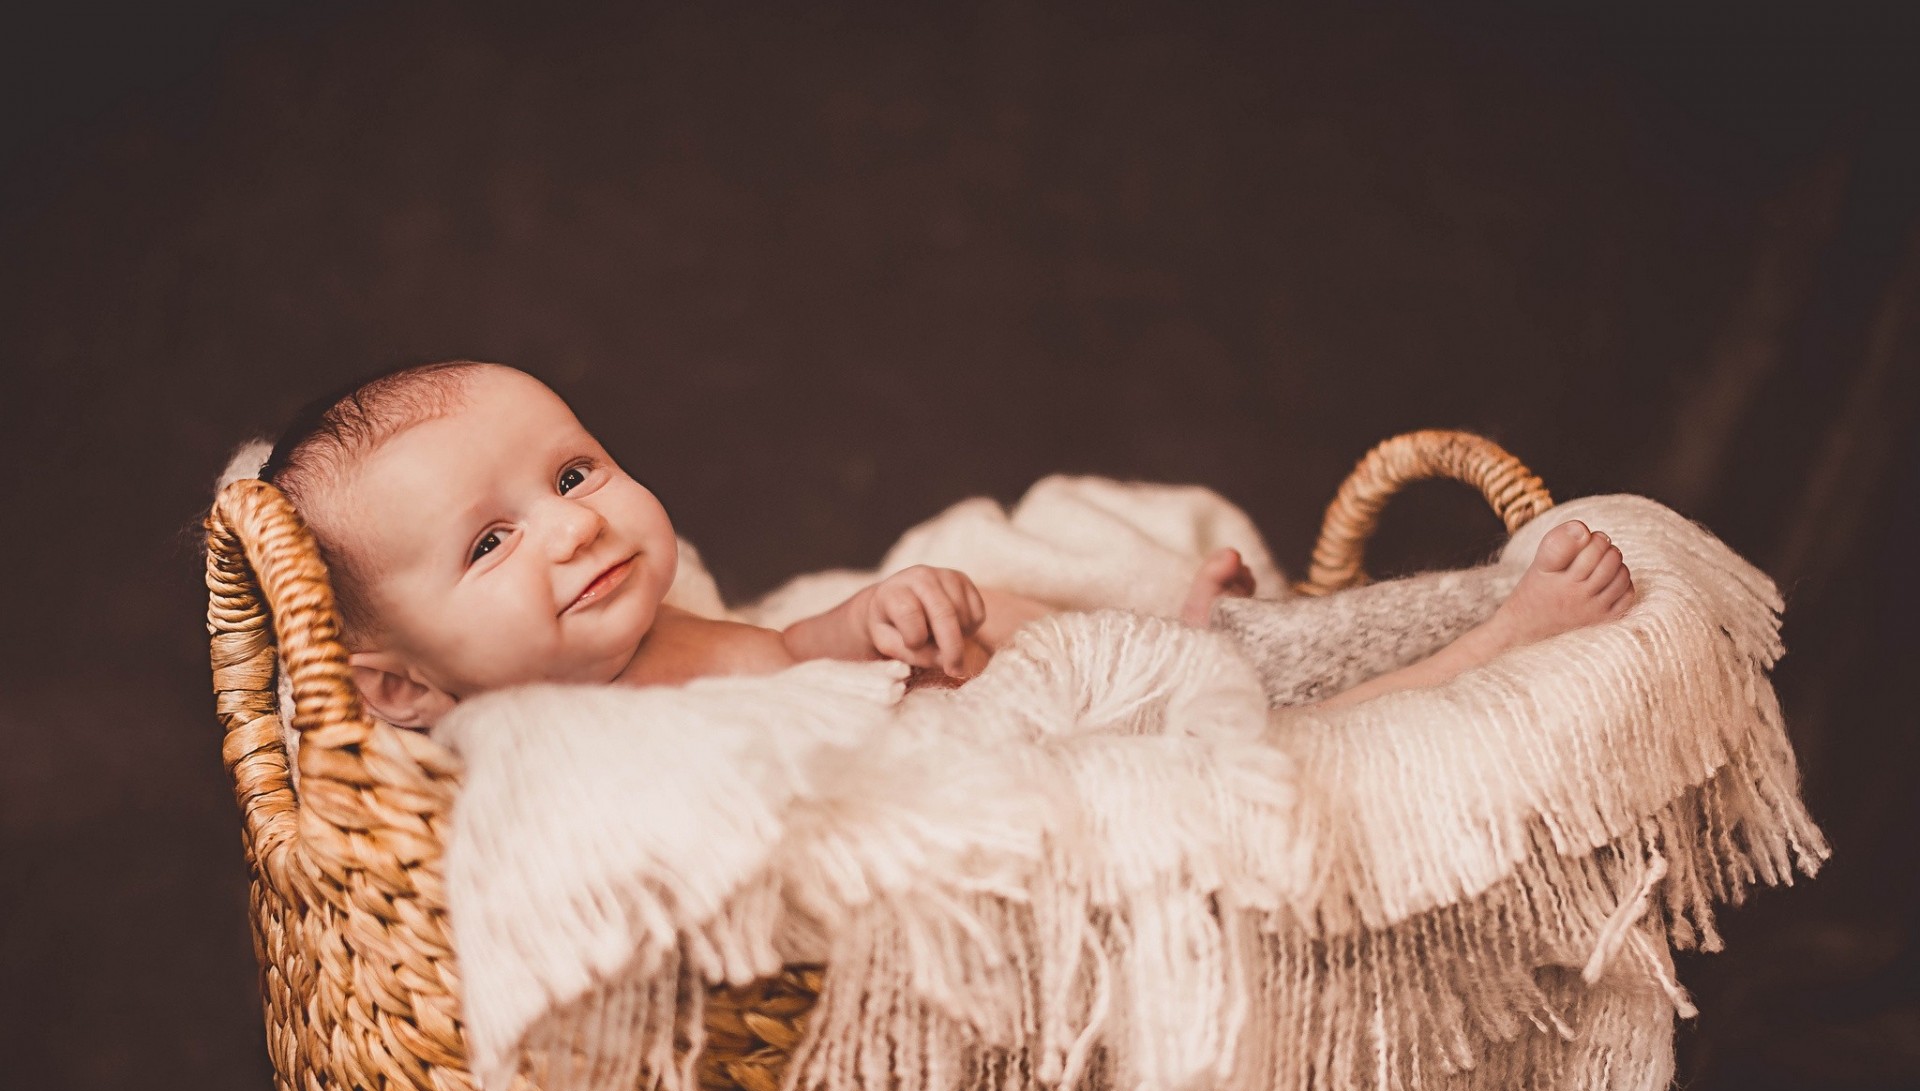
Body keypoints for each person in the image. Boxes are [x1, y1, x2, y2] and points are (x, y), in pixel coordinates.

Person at [259, 361, 1632, 729]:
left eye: (575, 470)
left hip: (1007, 710)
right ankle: (1496, 645)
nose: (575, 523)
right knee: (1278, 752)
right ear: (397, 686)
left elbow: (774, 656)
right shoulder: (531, 767)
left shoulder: (650, 643)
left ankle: (1229, 640)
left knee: (1072, 624)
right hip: (1021, 805)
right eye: (494, 539)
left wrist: (867, 625)